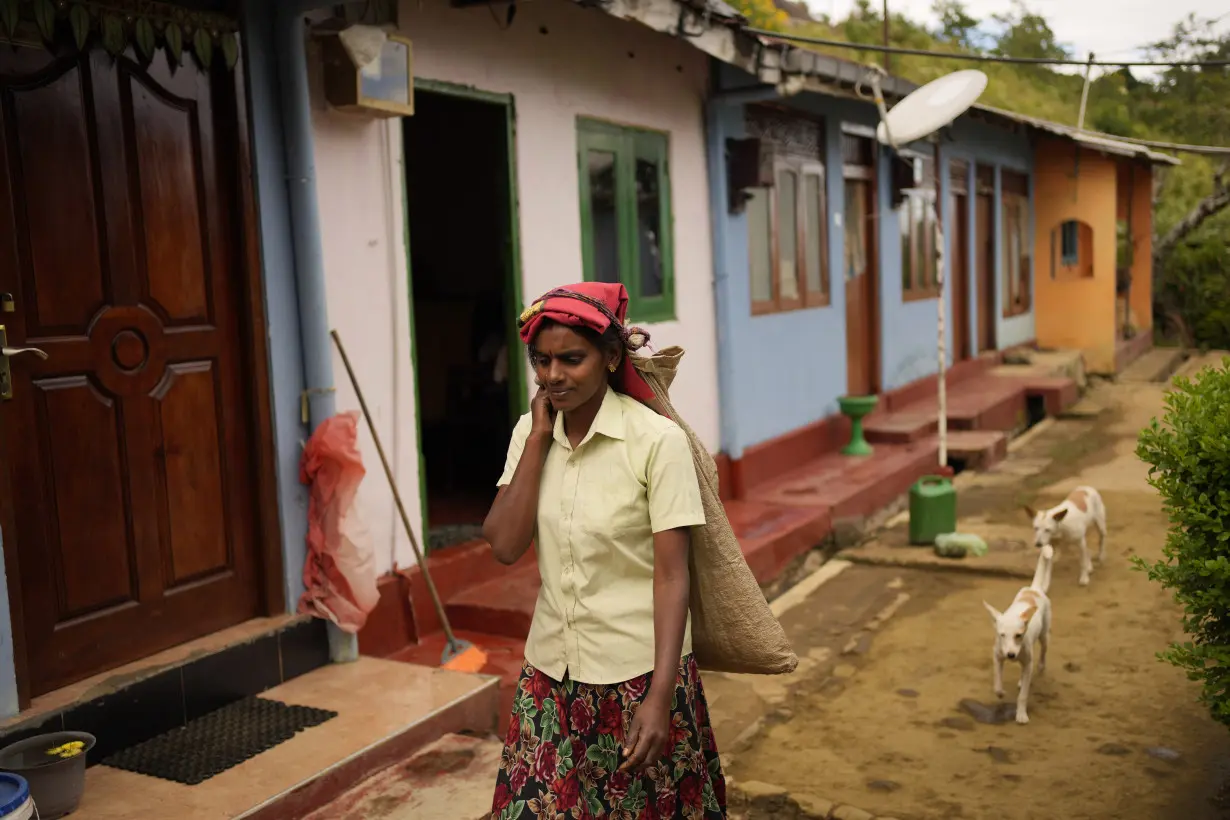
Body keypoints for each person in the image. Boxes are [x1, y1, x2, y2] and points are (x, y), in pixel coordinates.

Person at [483, 282, 726, 819]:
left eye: (571, 359)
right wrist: (539, 441)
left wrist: (661, 697)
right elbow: (503, 544)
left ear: (612, 357)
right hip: (550, 675)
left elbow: (670, 576)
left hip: (637, 679)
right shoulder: (530, 432)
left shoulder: (656, 443)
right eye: (541, 361)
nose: (553, 376)